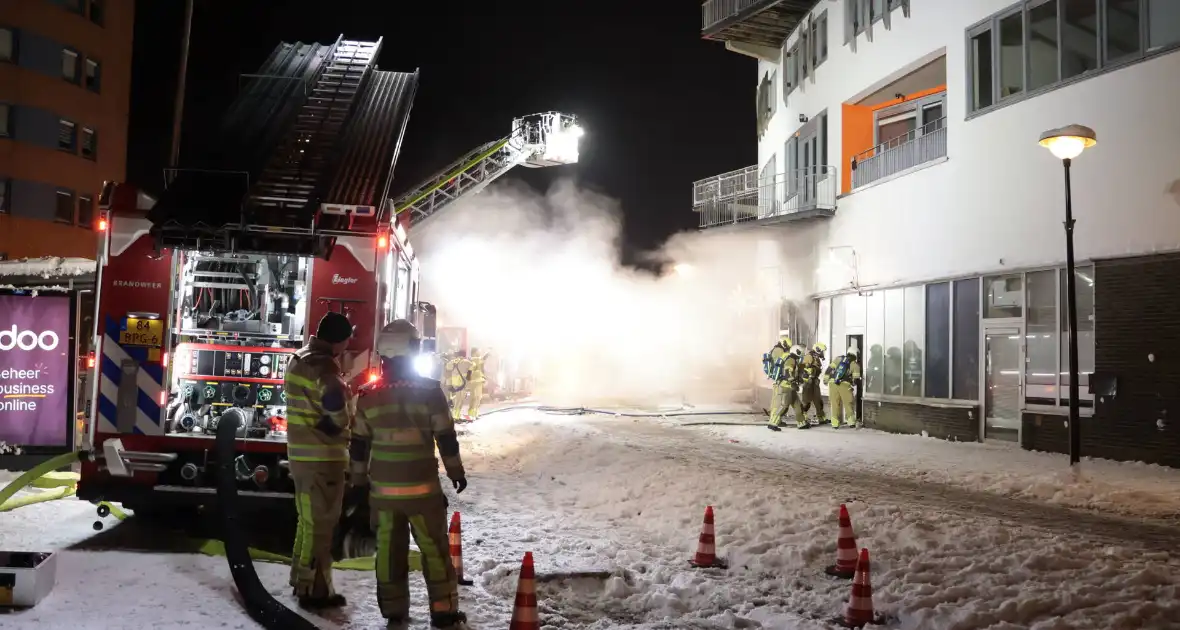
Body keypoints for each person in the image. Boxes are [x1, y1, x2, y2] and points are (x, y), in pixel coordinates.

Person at [352, 319, 470, 630]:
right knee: (434, 551)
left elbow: (359, 447)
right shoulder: (429, 392)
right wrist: (456, 472)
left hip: (383, 497)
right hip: (423, 494)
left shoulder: (367, 396)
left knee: (388, 554)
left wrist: (357, 483)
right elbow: (446, 437)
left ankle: (394, 611)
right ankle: (443, 611)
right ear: (413, 349)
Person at [285, 311, 356, 609]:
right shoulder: (324, 366)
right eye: (347, 340)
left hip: (301, 457)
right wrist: (343, 419)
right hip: (324, 458)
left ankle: (301, 580)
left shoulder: (298, 358)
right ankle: (316, 592)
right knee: (322, 526)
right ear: (338, 341)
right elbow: (336, 409)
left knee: (307, 522)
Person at [766, 336, 805, 431]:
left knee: (797, 405)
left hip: (790, 386)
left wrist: (798, 380)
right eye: (801, 352)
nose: (802, 354)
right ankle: (773, 423)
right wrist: (793, 382)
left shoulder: (793, 359)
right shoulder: (791, 359)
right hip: (786, 386)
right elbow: (787, 372)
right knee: (784, 406)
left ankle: (802, 423)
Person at [825, 348, 863, 429]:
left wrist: (825, 380)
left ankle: (835, 423)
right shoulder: (855, 365)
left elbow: (828, 370)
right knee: (848, 403)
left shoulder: (838, 359)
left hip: (832, 383)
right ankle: (851, 422)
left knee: (835, 403)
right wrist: (853, 384)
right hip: (845, 385)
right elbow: (855, 380)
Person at [799, 342, 828, 428]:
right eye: (822, 351)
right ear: (817, 349)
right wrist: (809, 372)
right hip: (808, 382)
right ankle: (802, 418)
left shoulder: (816, 358)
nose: (822, 353)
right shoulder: (809, 356)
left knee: (818, 400)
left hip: (814, 381)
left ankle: (821, 418)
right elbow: (803, 368)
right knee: (806, 401)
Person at [459, 348, 490, 421]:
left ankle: (475, 414)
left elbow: (481, 364)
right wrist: (488, 352)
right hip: (474, 381)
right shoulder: (473, 359)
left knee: (478, 398)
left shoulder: (476, 359)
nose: (479, 352)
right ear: (474, 353)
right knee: (475, 397)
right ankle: (471, 414)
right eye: (478, 351)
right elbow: (482, 358)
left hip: (478, 381)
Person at [441, 351, 468, 418]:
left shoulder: (451, 363)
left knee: (457, 399)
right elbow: (446, 374)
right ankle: (454, 416)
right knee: (457, 400)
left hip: (454, 383)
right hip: (454, 384)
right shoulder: (451, 363)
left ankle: (455, 415)